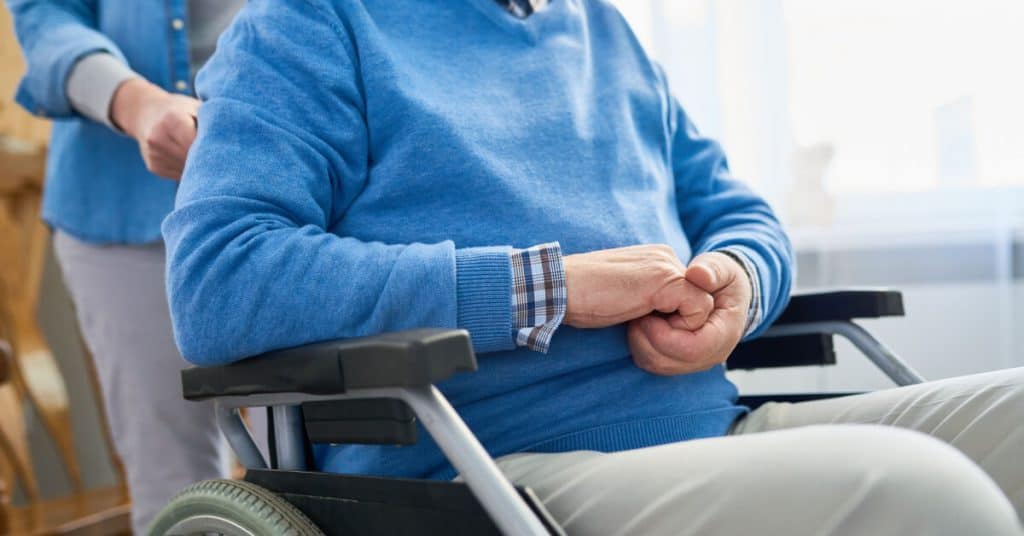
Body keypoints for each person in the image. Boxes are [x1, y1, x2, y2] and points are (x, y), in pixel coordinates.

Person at [164, 0, 1024, 534]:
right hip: (496, 474)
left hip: (713, 433)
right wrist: (551, 289)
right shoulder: (310, 23)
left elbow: (738, 209)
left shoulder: (603, 29)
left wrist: (738, 281)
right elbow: (220, 279)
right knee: (924, 500)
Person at [6, 1, 243, 531]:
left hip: (301, 188)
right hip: (118, 202)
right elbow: (46, 16)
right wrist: (141, 108)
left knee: (331, 465)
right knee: (176, 491)